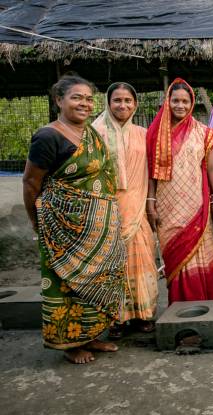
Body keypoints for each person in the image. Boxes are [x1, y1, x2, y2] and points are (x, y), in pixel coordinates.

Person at [23, 75, 124, 364]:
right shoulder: (48, 136)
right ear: (59, 100)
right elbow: (31, 183)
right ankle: (70, 344)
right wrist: (38, 223)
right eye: (76, 97)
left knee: (95, 280)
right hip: (63, 226)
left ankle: (91, 337)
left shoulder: (91, 134)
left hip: (97, 227)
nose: (84, 103)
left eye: (89, 98)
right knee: (66, 283)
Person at [146, 78, 213, 304]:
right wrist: (150, 200)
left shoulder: (204, 133)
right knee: (175, 254)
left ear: (192, 103)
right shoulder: (155, 133)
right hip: (167, 204)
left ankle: (205, 307)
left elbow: (211, 168)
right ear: (168, 102)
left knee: (202, 252)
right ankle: (179, 311)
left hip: (197, 205)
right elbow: (151, 169)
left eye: (185, 101)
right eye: (175, 101)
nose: (180, 105)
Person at [91, 82, 158, 339]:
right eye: (117, 100)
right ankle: (115, 318)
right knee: (110, 264)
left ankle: (143, 314)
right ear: (108, 103)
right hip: (107, 208)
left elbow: (152, 171)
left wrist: (151, 200)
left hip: (139, 205)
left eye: (128, 101)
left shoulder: (143, 133)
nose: (123, 105)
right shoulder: (93, 133)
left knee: (143, 258)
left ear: (135, 104)